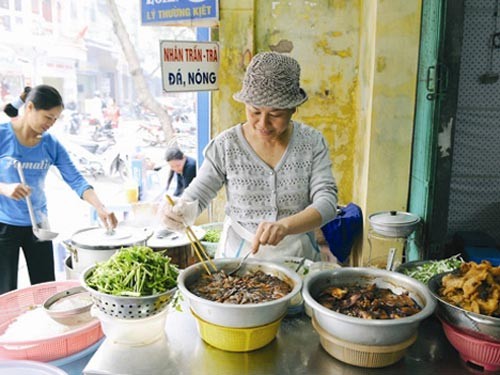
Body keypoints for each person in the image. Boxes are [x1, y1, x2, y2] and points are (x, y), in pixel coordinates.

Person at [162, 52, 338, 260]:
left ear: (293, 109)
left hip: (297, 254)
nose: (263, 124)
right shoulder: (226, 145)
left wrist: (285, 226)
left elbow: (327, 202)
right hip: (240, 256)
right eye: (254, 112)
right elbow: (198, 194)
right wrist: (179, 211)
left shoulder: (311, 142)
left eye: (275, 114)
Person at [0, 85, 118, 294]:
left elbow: (76, 179)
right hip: (4, 225)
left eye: (55, 119)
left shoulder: (50, 144)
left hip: (39, 225)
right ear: (29, 107)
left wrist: (100, 207)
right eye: (47, 117)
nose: (50, 124)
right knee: (5, 292)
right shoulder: (3, 135)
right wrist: (4, 188)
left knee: (45, 289)